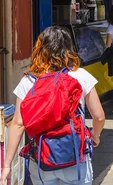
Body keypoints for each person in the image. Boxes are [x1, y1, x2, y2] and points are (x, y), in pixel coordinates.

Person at [1, 27, 105, 185]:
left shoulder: (29, 81)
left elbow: (18, 124)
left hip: (42, 159)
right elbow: (98, 116)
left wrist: (7, 165)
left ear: (41, 49)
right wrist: (95, 135)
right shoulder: (81, 76)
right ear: (69, 49)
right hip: (75, 157)